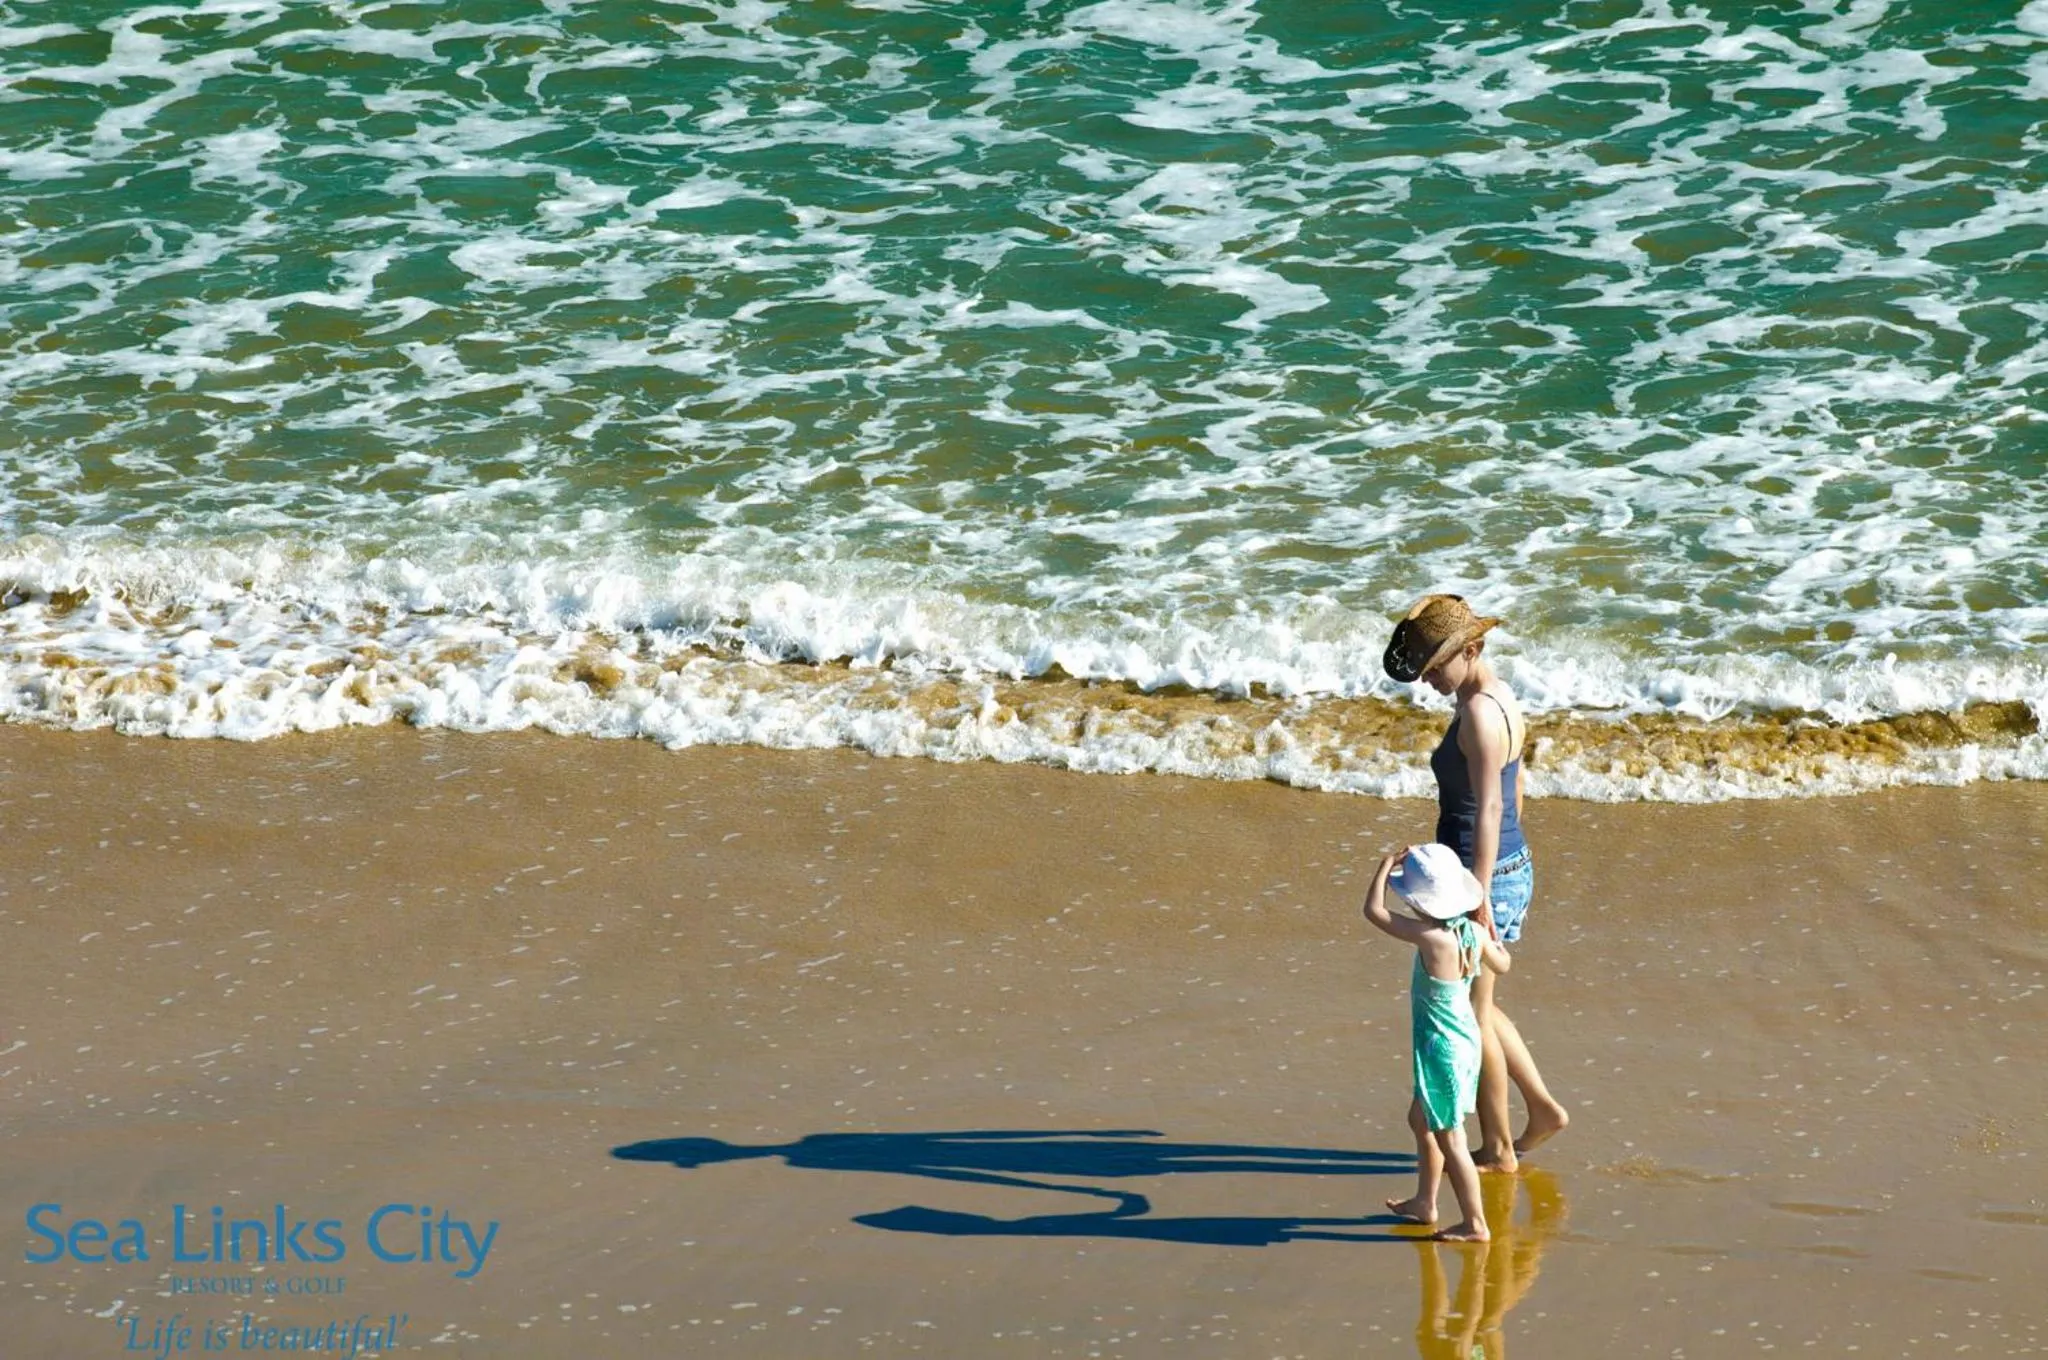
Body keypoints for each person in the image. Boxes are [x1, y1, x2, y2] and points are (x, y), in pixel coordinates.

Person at [1384, 595, 1568, 1172]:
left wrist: (1480, 893)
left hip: (1480, 875)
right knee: (1480, 1008)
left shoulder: (1482, 715)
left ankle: (1502, 1146)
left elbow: (1491, 807)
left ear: (1471, 650)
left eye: (1437, 665)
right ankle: (1538, 1110)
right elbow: (1516, 790)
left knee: (1468, 1017)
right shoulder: (1497, 697)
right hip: (1501, 865)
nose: (1429, 677)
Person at [1360, 843, 1512, 1241]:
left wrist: (1383, 868)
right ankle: (1426, 1201)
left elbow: (1374, 913)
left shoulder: (1431, 937)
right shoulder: (1472, 933)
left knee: (1451, 1136)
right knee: (1420, 1118)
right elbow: (1504, 964)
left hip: (1440, 1049)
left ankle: (1475, 1223)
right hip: (1464, 1042)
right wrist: (1487, 928)